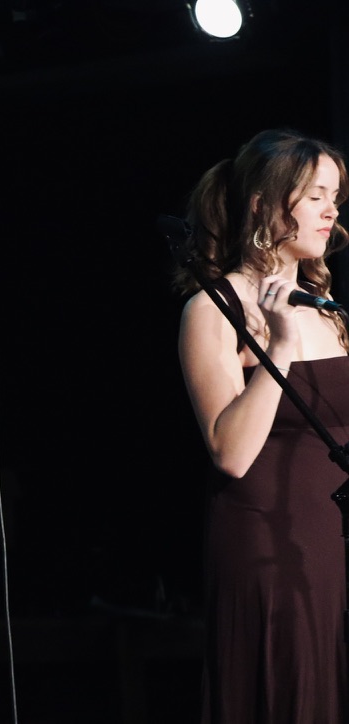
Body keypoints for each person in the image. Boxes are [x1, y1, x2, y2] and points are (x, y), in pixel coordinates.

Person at [174, 128, 349, 722]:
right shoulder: (213, 308)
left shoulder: (328, 311)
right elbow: (230, 452)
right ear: (263, 202)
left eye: (335, 197)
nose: (331, 211)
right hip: (268, 544)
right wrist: (278, 343)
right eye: (315, 195)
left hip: (333, 542)